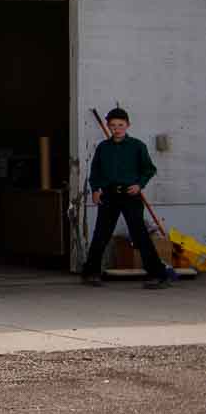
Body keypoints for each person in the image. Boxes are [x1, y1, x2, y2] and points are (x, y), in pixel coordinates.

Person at [79, 106, 174, 289]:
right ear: (108, 126)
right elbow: (95, 172)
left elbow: (149, 169)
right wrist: (95, 190)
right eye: (113, 125)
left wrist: (139, 185)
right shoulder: (103, 148)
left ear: (128, 125)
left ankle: (157, 275)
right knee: (101, 234)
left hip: (130, 196)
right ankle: (90, 273)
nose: (117, 129)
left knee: (139, 235)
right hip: (109, 196)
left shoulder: (137, 146)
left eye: (120, 125)